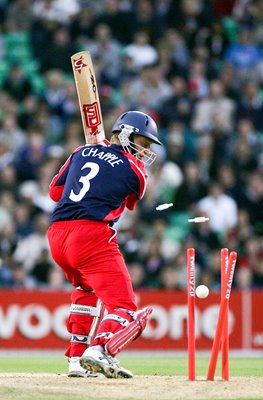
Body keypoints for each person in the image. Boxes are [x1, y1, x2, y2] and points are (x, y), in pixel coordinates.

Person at [47, 111, 162, 378]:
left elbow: (55, 192)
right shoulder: (136, 172)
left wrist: (95, 154)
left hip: (57, 235)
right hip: (91, 237)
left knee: (86, 289)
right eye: (142, 143)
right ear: (123, 134)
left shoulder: (80, 151)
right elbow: (131, 203)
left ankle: (76, 359)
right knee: (124, 307)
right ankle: (99, 349)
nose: (144, 152)